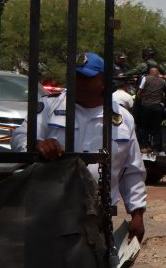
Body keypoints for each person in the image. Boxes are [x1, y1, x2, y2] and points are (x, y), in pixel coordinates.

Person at [11, 52, 147, 241]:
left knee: (94, 259)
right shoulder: (50, 107)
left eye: (86, 78)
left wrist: (137, 213)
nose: (78, 83)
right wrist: (37, 144)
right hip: (49, 210)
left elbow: (132, 170)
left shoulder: (122, 118)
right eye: (74, 77)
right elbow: (19, 136)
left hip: (97, 214)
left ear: (103, 82)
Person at [135, 66, 166, 152]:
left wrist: (141, 99)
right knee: (156, 128)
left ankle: (145, 146)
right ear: (157, 73)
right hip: (157, 107)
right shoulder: (162, 81)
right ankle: (156, 147)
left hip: (146, 106)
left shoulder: (145, 78)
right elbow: (163, 95)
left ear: (150, 72)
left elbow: (139, 92)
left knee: (145, 127)